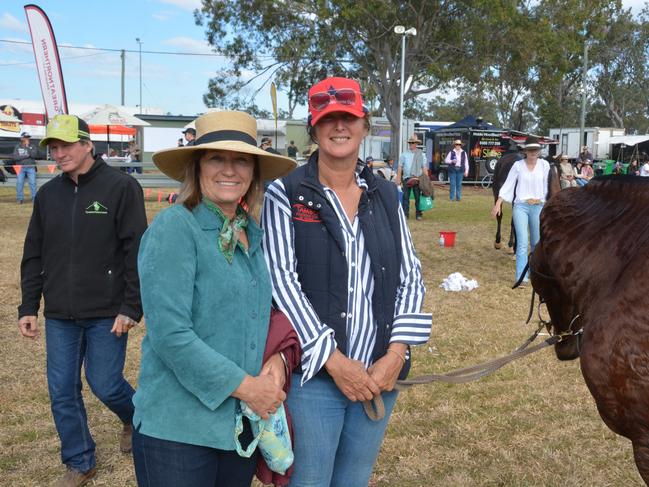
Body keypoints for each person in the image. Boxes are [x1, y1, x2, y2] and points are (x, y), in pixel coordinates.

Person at [262, 76, 431, 487]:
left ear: (364, 125)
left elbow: (410, 275)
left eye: (348, 118)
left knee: (354, 480)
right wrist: (335, 362)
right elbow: (282, 282)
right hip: (315, 379)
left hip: (379, 374)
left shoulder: (386, 195)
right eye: (328, 119)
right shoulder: (285, 194)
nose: (339, 127)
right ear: (314, 128)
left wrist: (396, 353)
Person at [132, 110, 297, 487]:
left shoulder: (250, 233)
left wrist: (275, 359)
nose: (230, 170)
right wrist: (248, 387)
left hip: (234, 428)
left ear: (254, 171)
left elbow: (257, 312)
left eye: (241, 160)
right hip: (178, 431)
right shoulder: (176, 227)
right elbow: (171, 334)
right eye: (217, 158)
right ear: (197, 166)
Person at [18, 114, 147, 486]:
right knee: (61, 389)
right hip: (60, 312)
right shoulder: (48, 195)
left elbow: (136, 252)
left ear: (87, 144)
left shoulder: (121, 188)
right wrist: (29, 306)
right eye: (53, 148)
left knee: (105, 383)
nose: (58, 154)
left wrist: (131, 307)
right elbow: (34, 253)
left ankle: (135, 418)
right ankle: (79, 460)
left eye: (65, 146)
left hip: (108, 311)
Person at [491, 135, 551, 285]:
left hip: (538, 206)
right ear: (525, 151)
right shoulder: (518, 165)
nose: (533, 153)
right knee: (523, 242)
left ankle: (535, 274)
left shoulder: (545, 165)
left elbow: (547, 188)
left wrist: (547, 204)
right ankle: (521, 277)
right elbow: (508, 185)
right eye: (530, 150)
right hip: (521, 206)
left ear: (539, 151)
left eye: (535, 150)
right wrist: (498, 203)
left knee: (536, 243)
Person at [396, 134, 426, 220]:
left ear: (416, 144)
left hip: (417, 178)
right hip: (406, 178)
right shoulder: (404, 154)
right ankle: (405, 214)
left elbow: (424, 167)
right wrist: (398, 178)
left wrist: (426, 179)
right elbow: (400, 167)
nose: (411, 144)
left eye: (413, 143)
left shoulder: (421, 154)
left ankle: (418, 214)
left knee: (418, 197)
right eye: (410, 143)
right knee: (405, 197)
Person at [13, 131, 38, 204]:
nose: (27, 139)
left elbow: (33, 155)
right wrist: (27, 156)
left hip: (31, 167)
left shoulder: (32, 146)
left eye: (28, 137)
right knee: (19, 183)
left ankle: (34, 198)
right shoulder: (18, 146)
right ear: (22, 138)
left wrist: (28, 147)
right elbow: (15, 157)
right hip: (20, 167)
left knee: (33, 183)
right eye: (26, 137)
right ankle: (19, 198)